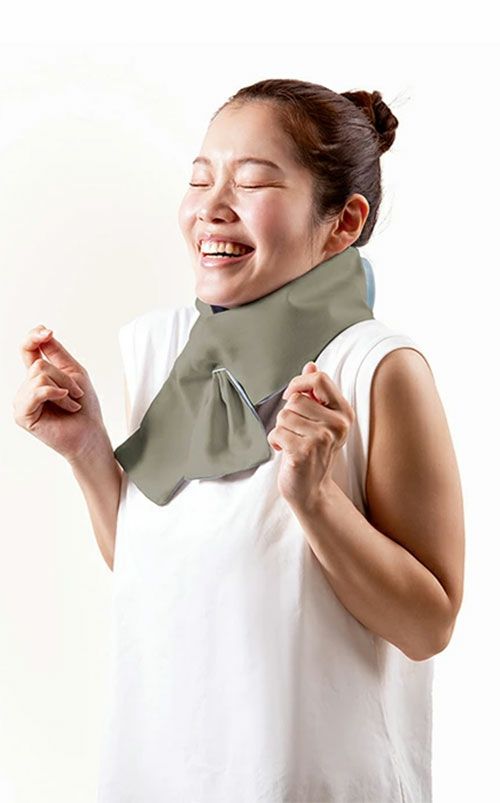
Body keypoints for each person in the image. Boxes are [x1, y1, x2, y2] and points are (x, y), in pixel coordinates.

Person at [14, 78, 465, 802]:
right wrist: (88, 450)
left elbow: (426, 626)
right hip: (156, 776)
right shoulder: (160, 350)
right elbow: (158, 575)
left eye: (252, 182)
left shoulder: (378, 369)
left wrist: (317, 501)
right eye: (200, 178)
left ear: (344, 222)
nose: (210, 207)